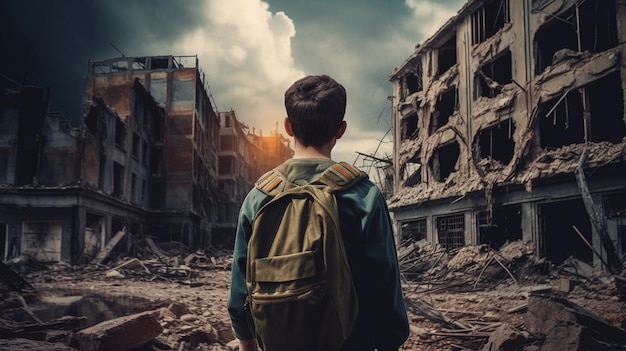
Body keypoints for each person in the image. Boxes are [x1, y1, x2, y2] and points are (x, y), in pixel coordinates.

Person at [227, 74, 409, 351]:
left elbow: (239, 291)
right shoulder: (364, 195)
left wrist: (248, 345)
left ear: (288, 127)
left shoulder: (259, 197)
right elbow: (385, 285)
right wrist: (390, 342)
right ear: (341, 129)